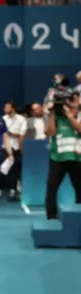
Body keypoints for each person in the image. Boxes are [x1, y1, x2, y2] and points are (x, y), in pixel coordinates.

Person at [44, 90, 81, 220]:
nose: (72, 103)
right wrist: (53, 113)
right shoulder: (57, 117)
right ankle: (51, 216)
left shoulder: (79, 115)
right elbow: (50, 133)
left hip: (77, 158)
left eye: (74, 100)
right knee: (51, 188)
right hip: (58, 157)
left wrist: (70, 116)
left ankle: (79, 215)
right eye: (70, 101)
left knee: (79, 188)